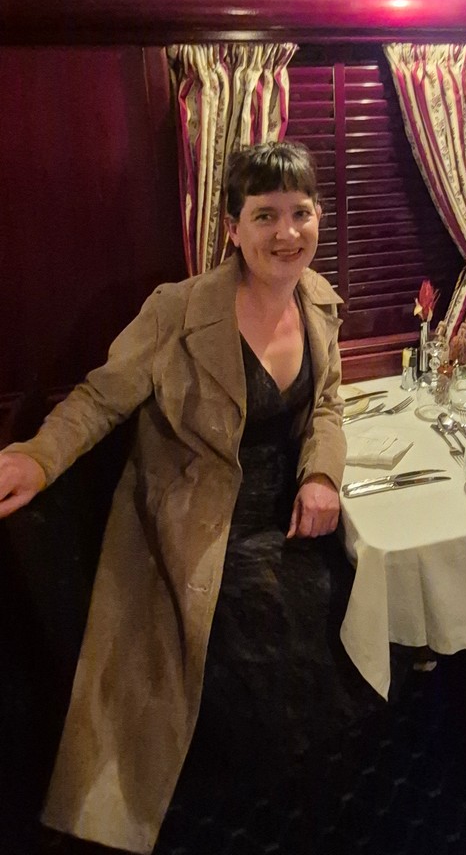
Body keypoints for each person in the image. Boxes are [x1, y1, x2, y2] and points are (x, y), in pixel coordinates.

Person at [0, 142, 374, 854]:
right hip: (198, 520)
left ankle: (306, 792)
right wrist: (36, 457)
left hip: (288, 511)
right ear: (232, 227)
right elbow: (100, 399)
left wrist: (322, 476)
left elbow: (326, 405)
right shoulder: (177, 310)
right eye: (265, 215)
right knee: (259, 630)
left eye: (301, 212)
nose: (287, 233)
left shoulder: (319, 301)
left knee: (355, 600)